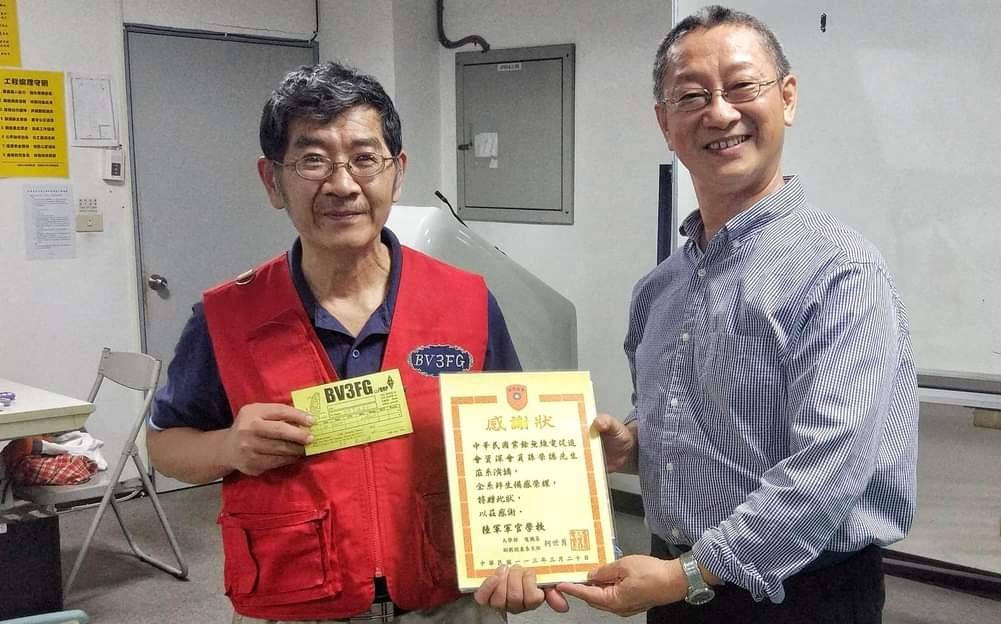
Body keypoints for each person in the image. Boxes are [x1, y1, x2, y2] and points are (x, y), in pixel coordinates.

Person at [557, 6, 919, 623]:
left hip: (804, 597)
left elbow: (828, 472)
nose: (720, 113)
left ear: (788, 97)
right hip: (676, 584)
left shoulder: (840, 269)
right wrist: (636, 444)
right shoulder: (659, 289)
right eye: (692, 96)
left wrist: (687, 574)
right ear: (665, 123)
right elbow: (706, 429)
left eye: (742, 86)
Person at [148, 61, 526, 623]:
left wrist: (525, 558)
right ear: (272, 180)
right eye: (313, 160)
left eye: (364, 158)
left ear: (397, 172)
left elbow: (515, 436)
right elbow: (164, 445)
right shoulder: (227, 318)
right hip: (296, 603)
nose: (343, 184)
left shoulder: (466, 301)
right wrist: (228, 447)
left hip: (448, 598)